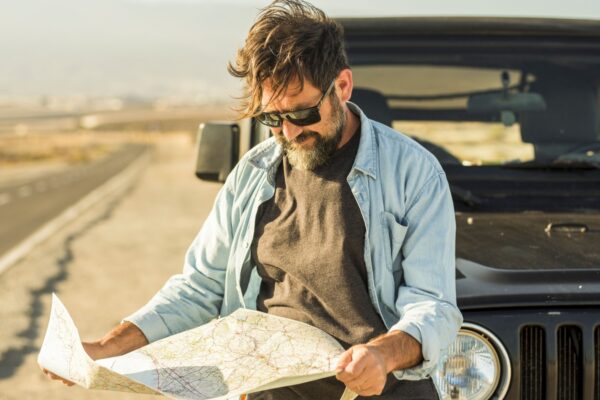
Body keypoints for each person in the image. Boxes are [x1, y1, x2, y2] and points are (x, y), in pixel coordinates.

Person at [43, 1, 462, 398]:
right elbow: (200, 286)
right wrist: (106, 346)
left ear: (343, 86)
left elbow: (434, 307)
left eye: (301, 114)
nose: (289, 132)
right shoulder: (252, 173)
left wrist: (381, 355)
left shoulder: (413, 173)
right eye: (270, 119)